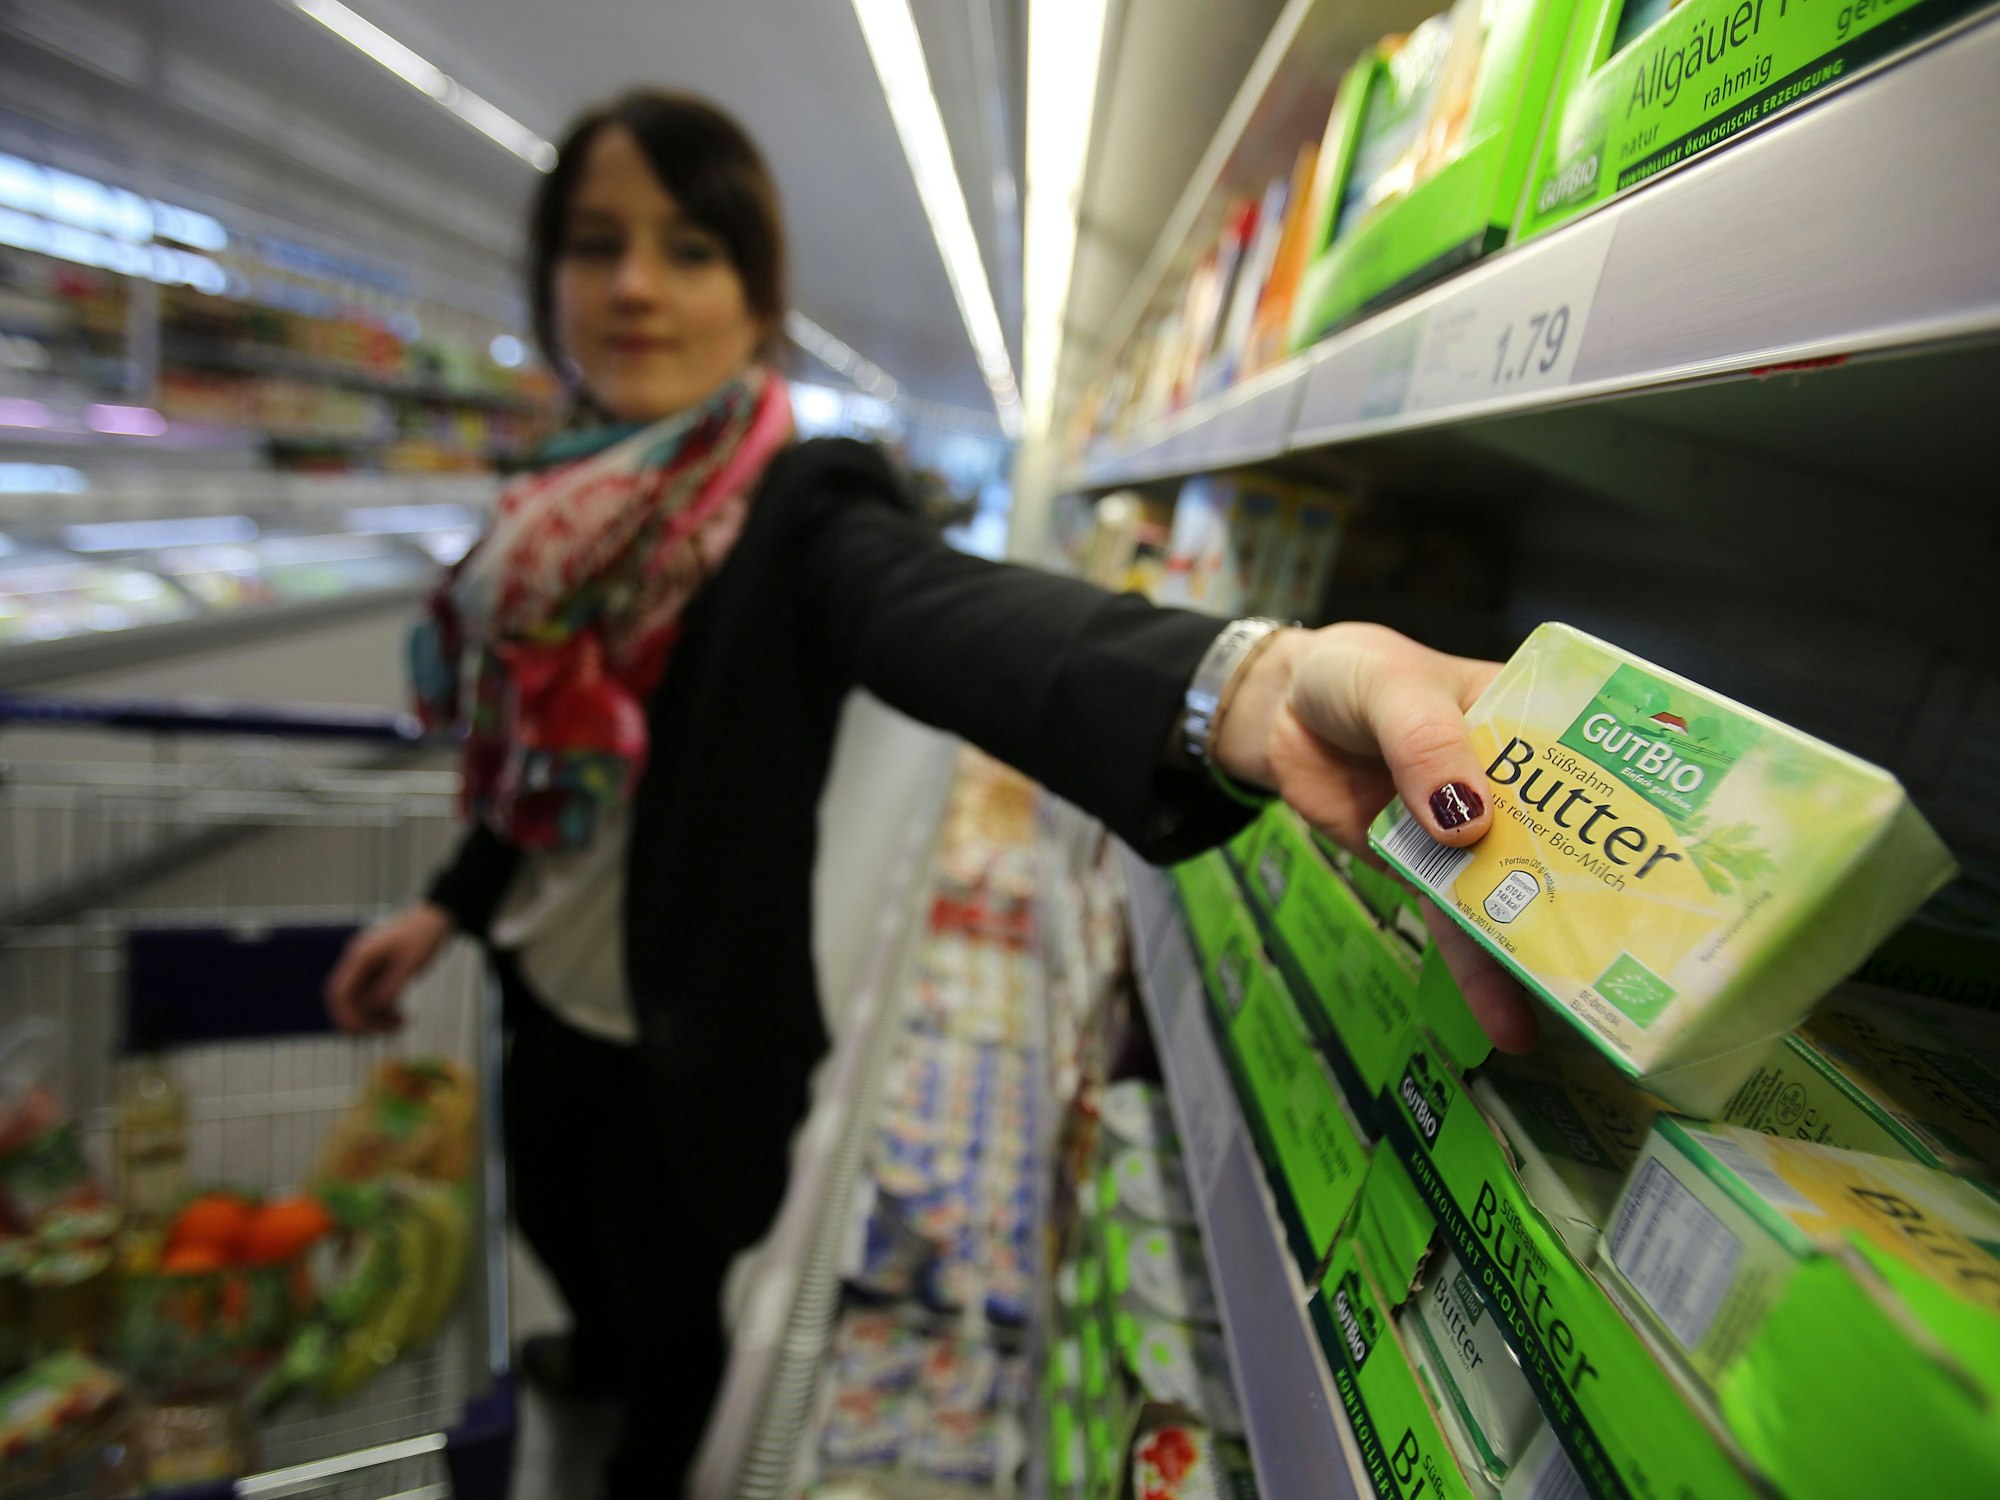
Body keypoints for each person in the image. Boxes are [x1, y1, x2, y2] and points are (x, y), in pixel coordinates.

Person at [324, 90, 1531, 1497]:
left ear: (757, 298)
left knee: (672, 1317)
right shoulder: (549, 515)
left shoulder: (805, 508)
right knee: (556, 1235)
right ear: (549, 281)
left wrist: (1247, 686)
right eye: (597, 245)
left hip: (690, 1043)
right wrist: (447, 909)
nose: (637, 285)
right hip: (542, 997)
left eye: (692, 248)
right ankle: (588, 1360)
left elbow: (938, 611)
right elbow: (541, 785)